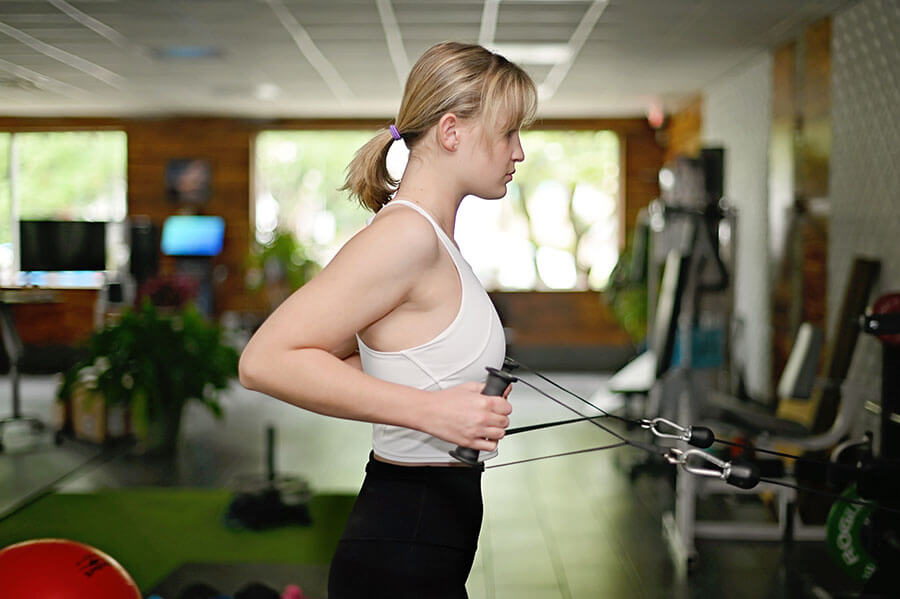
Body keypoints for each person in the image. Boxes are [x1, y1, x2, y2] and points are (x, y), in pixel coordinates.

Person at [238, 41, 537, 598]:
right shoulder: (406, 235)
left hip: (426, 543)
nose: (518, 152)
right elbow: (263, 361)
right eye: (508, 133)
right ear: (452, 132)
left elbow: (363, 356)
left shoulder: (434, 239)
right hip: (402, 548)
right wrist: (430, 409)